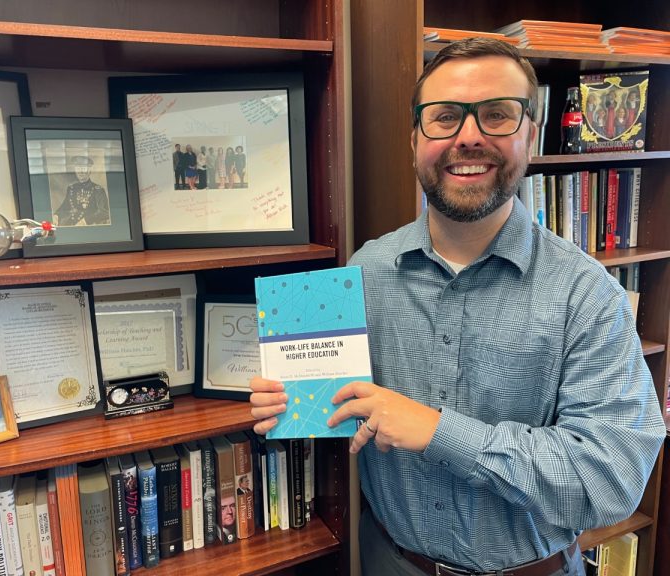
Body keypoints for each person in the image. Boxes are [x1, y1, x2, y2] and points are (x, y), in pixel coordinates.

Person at [249, 38, 665, 576]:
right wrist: (288, 399)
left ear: (531, 137)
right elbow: (338, 401)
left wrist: (440, 433)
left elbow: (613, 481)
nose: (468, 137)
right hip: (388, 562)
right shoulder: (365, 270)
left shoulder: (586, 293)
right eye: (444, 117)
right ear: (415, 140)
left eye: (496, 115)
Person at [55, 155, 110, 226]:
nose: (80, 172)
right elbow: (65, 207)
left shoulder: (98, 190)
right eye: (78, 168)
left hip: (89, 227)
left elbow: (104, 212)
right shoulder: (71, 188)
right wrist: (56, 215)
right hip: (72, 225)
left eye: (83, 168)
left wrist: (86, 221)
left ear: (89, 170)